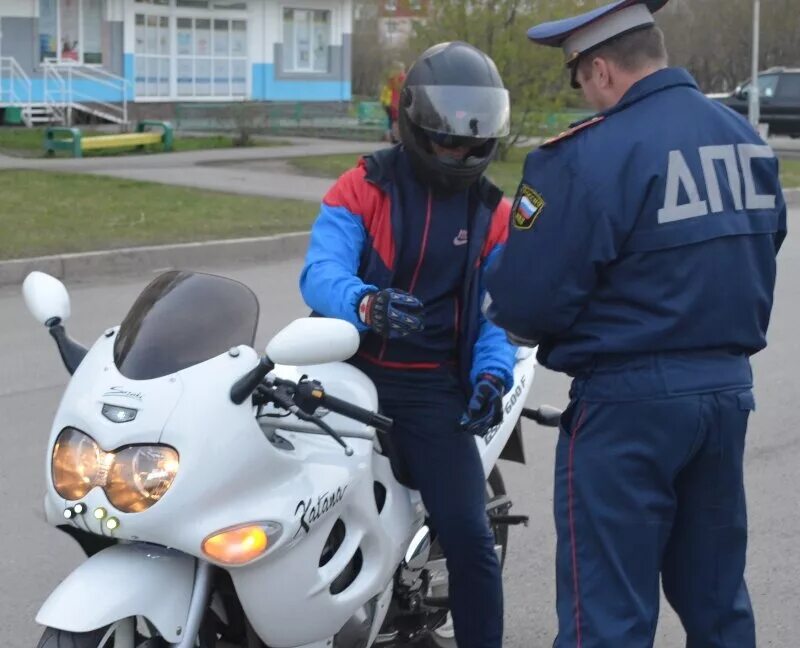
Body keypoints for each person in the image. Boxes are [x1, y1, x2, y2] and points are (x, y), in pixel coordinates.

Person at [484, 1, 787, 646]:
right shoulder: (746, 140)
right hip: (725, 397)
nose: (587, 100)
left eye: (579, 82)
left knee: (608, 616)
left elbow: (527, 304)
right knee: (718, 606)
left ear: (598, 70)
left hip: (627, 410)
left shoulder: (585, 157)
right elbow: (762, 248)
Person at [300, 41, 516, 648]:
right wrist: (365, 303)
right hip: (342, 365)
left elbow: (495, 314)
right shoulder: (361, 186)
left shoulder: (493, 214)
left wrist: (491, 375)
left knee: (470, 539)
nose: (462, 148)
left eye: (475, 140)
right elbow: (320, 272)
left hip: (429, 386)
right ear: (414, 119)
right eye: (449, 136)